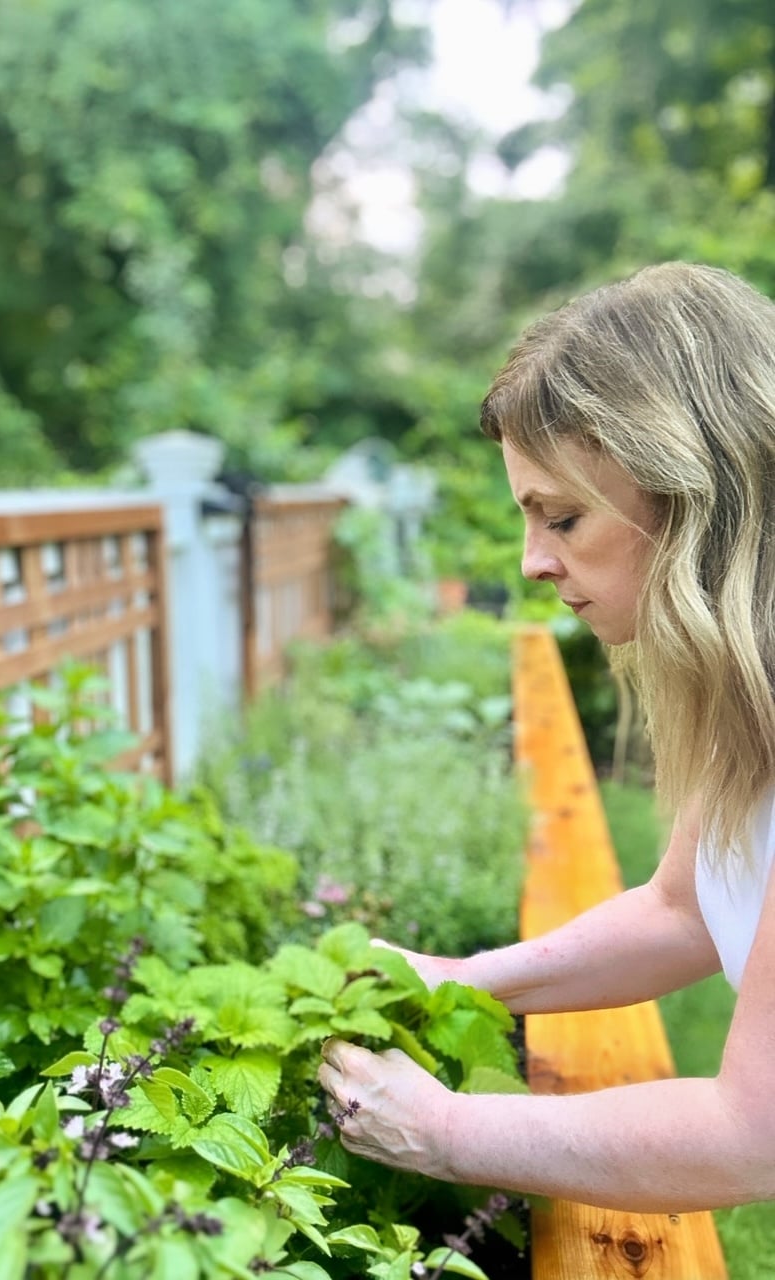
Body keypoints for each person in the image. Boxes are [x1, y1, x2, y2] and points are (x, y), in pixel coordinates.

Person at [318, 261, 775, 1213]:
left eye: (562, 518)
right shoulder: (751, 702)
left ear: (696, 494)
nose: (532, 562)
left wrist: (444, 1130)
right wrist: (457, 981)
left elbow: (754, 1135)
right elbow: (684, 912)